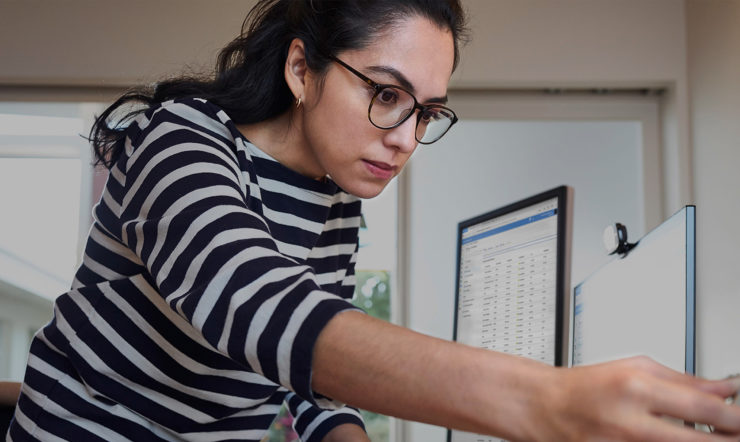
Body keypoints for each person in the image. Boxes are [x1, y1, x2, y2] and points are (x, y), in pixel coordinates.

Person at [7, 0, 740, 441]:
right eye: (387, 95)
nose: (406, 137)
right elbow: (255, 305)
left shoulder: (333, 206)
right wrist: (549, 403)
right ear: (302, 69)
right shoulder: (182, 141)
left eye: (427, 112)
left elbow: (308, 386)